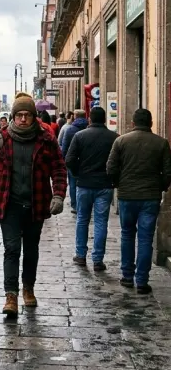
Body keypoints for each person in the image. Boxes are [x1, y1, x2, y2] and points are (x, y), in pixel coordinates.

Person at [0, 93, 66, 317]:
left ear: (34, 116)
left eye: (27, 115)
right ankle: (11, 295)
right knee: (11, 249)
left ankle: (28, 289)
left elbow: (59, 168)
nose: (23, 119)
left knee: (30, 250)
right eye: (19, 115)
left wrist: (58, 195)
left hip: (36, 203)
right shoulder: (2, 139)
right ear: (13, 116)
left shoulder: (46, 139)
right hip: (9, 204)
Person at [107, 109, 171, 294]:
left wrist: (118, 184)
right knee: (145, 238)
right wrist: (161, 187)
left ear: (132, 123)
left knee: (127, 235)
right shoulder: (161, 143)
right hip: (150, 197)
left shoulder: (121, 141)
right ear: (151, 123)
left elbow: (111, 167)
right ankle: (142, 280)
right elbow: (167, 172)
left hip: (127, 196)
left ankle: (127, 276)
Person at [65, 107, 117, 271]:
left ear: (90, 119)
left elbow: (69, 159)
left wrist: (77, 173)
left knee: (82, 219)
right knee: (101, 222)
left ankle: (80, 255)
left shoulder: (80, 136)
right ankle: (98, 259)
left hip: (85, 184)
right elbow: (117, 163)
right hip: (104, 185)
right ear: (104, 119)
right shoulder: (114, 138)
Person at [61, 109, 88, 213]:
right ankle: (84, 203)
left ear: (74, 116)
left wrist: (64, 159)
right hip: (86, 161)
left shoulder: (70, 129)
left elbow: (65, 146)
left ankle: (75, 205)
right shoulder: (88, 127)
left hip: (73, 160)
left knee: (72, 184)